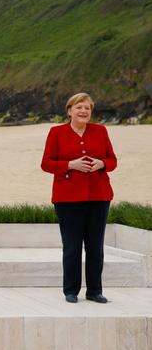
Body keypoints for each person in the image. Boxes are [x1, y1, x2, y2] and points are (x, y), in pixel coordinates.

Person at [41, 93, 117, 304]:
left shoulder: (100, 131)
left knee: (95, 246)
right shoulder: (57, 132)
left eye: (87, 108)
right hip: (67, 198)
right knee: (72, 246)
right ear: (69, 111)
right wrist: (70, 165)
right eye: (79, 107)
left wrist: (102, 163)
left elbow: (112, 160)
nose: (83, 111)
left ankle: (94, 290)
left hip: (99, 195)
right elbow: (46, 163)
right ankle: (71, 291)